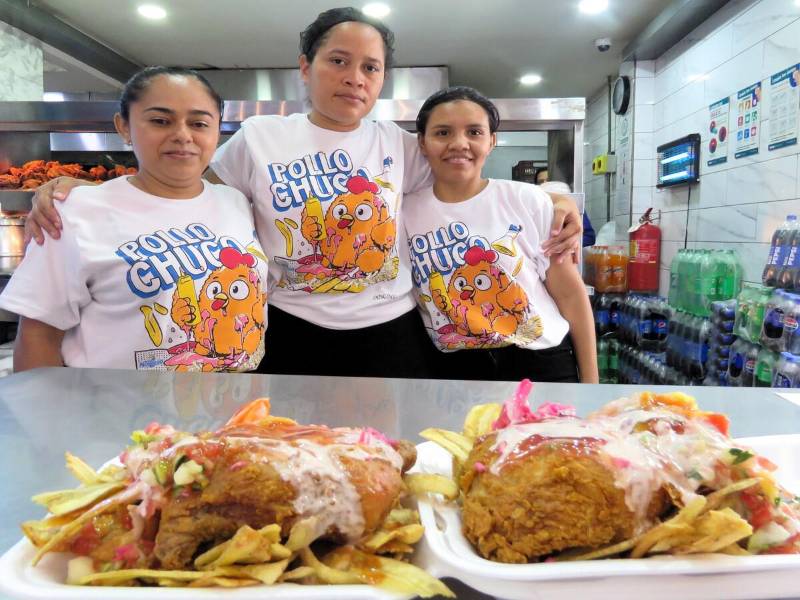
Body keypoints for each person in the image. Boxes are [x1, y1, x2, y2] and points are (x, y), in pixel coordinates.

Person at [23, 7, 582, 379]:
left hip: (392, 329)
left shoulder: (400, 144)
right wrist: (79, 187)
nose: (354, 78)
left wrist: (557, 195)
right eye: (337, 61)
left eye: (370, 67)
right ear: (306, 68)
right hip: (289, 328)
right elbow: (184, 191)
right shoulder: (259, 140)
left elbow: (469, 176)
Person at [0, 67, 268, 372]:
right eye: (160, 121)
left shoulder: (234, 202)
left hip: (235, 408)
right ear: (124, 126)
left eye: (199, 123)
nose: (182, 135)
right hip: (121, 414)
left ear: (217, 130)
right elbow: (39, 335)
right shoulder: (73, 213)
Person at [404, 86, 598, 382]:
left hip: (538, 362)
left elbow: (571, 295)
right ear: (422, 142)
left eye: (474, 132)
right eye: (442, 133)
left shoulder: (526, 199)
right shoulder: (403, 212)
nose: (459, 143)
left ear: (492, 141)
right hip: (452, 369)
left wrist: (591, 383)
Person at [536, 169, 595, 247]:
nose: (545, 183)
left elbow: (590, 237)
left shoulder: (572, 207)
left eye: (548, 180)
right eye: (541, 181)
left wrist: (567, 242)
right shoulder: (535, 210)